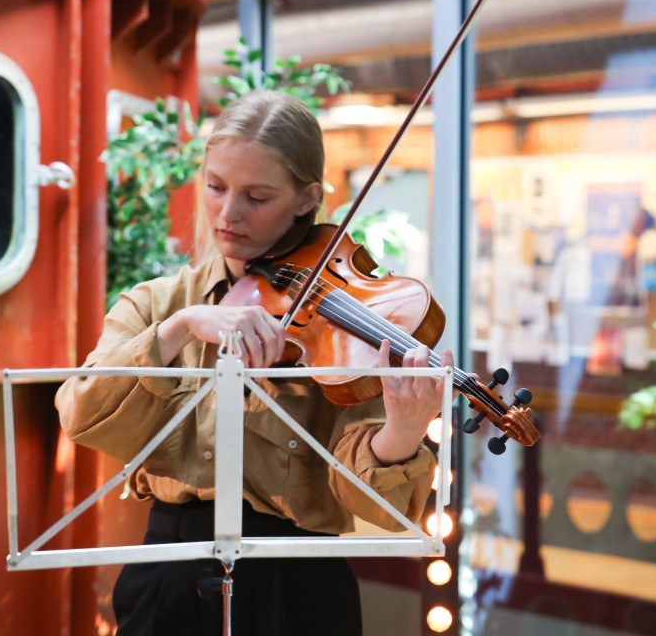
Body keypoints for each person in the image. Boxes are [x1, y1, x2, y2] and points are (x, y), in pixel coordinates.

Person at [55, 90, 450, 636]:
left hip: (299, 584)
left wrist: (403, 435)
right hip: (169, 569)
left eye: (257, 197)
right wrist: (179, 328)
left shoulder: (342, 322)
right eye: (215, 187)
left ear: (306, 200)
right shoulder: (157, 304)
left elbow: (372, 506)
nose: (228, 212)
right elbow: (78, 413)